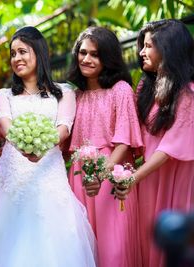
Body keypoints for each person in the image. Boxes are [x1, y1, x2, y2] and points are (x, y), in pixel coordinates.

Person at [0, 26, 96, 267]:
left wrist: (42, 147)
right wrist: (24, 147)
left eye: (22, 52)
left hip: (49, 175)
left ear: (38, 52)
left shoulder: (64, 93)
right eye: (13, 54)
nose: (17, 59)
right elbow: (5, 126)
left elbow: (63, 128)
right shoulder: (3, 95)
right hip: (12, 176)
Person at [115, 19, 194, 267]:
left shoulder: (188, 92)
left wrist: (133, 178)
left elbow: (169, 148)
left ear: (168, 49)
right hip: (148, 177)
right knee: (149, 242)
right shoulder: (146, 87)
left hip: (175, 177)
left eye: (149, 45)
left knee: (170, 241)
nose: (141, 52)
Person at [67, 26, 143, 267]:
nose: (86, 59)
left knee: (113, 250)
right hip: (79, 176)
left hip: (111, 174)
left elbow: (123, 142)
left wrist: (100, 175)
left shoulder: (120, 90)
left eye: (95, 54)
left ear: (108, 57)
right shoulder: (76, 96)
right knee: (82, 247)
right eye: (82, 52)